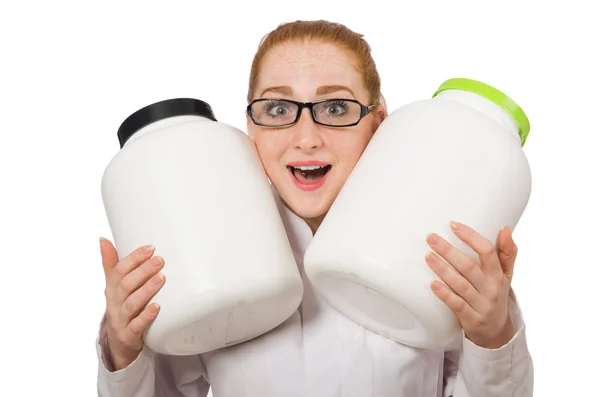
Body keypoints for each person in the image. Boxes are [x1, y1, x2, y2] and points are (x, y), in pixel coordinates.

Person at [96, 20, 534, 397]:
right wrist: (124, 346)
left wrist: (491, 334)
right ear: (251, 128)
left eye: (336, 107)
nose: (306, 138)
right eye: (279, 108)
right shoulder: (200, 251)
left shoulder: (440, 248)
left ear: (380, 123)